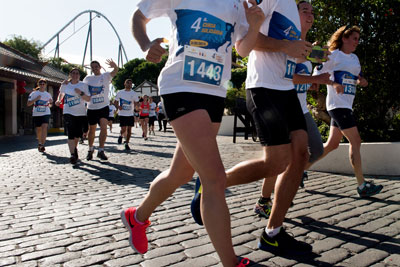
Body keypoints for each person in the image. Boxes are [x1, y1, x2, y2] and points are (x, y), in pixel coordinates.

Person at [120, 1, 265, 266]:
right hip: (180, 87)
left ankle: (136, 216)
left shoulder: (238, 3)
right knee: (214, 179)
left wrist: (254, 26)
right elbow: (139, 16)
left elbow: (242, 50)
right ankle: (230, 261)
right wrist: (144, 45)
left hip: (214, 91)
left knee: (182, 173)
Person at [191, 0, 316, 256]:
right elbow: (245, 41)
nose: (310, 11)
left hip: (287, 90)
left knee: (301, 156)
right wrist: (287, 46)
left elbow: (289, 50)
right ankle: (211, 184)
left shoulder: (293, 9)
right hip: (264, 88)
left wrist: (301, 50)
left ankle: (273, 233)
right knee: (276, 163)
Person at [253, 0, 332, 219]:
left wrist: (313, 81)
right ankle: (265, 200)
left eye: (312, 11)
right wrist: (314, 78)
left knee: (315, 149)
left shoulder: (307, 46)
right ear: (292, 14)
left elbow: (300, 76)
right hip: (280, 101)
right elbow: (290, 76)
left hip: (299, 107)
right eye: (304, 10)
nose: (310, 14)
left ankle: (292, 177)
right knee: (278, 160)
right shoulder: (287, 37)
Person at [309, 25, 383, 198]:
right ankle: (362, 185)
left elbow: (357, 77)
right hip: (337, 105)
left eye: (358, 39)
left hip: (346, 105)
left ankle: (301, 170)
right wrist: (334, 84)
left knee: (332, 145)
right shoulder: (333, 56)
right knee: (356, 141)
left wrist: (362, 81)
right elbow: (318, 75)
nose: (357, 42)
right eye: (354, 38)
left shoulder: (355, 59)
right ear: (344, 38)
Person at [83, 59, 119, 161]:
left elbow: (115, 71)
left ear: (100, 67)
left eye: (96, 66)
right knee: (92, 130)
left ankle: (101, 150)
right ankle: (90, 149)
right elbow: (80, 87)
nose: (95, 69)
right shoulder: (88, 78)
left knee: (104, 127)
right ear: (91, 69)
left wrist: (114, 66)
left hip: (103, 106)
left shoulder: (105, 76)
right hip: (91, 107)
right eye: (92, 67)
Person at [55, 68, 91, 164]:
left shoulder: (83, 85)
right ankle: (72, 154)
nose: (75, 75)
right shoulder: (65, 84)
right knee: (70, 133)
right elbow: (61, 94)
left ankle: (74, 150)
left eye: (77, 73)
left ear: (79, 76)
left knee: (76, 135)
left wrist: (81, 93)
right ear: (70, 74)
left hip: (80, 113)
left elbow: (88, 99)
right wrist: (59, 100)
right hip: (68, 112)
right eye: (73, 73)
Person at [27, 79, 53, 152]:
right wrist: (36, 99)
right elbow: (28, 104)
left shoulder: (48, 94)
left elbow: (50, 105)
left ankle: (42, 145)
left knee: (44, 127)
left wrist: (51, 103)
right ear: (38, 85)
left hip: (46, 113)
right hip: (37, 113)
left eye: (43, 84)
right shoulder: (33, 93)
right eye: (40, 84)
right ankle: (39, 142)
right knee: (39, 129)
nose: (42, 85)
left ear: (45, 85)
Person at [115, 79, 139, 150]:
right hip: (122, 114)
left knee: (129, 130)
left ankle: (127, 143)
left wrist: (137, 107)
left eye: (131, 83)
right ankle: (121, 135)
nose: (129, 84)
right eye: (128, 83)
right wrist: (118, 107)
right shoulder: (120, 92)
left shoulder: (134, 93)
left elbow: (136, 102)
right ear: (124, 84)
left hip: (130, 114)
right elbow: (115, 102)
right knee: (123, 129)